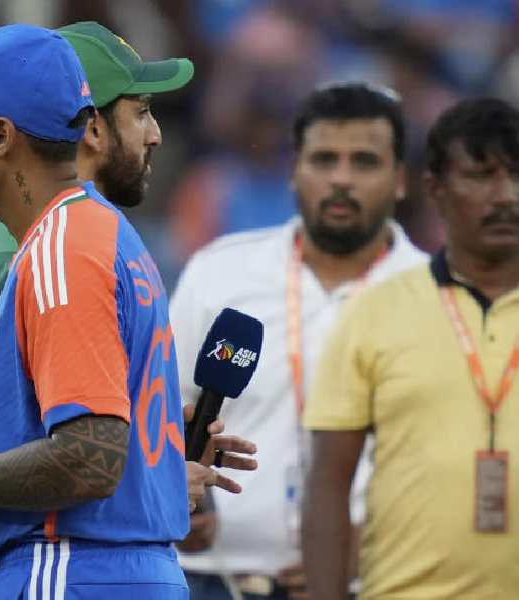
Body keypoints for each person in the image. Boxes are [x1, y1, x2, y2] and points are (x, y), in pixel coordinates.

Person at [0, 20, 258, 600]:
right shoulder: (106, 235)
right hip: (106, 567)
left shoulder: (58, 246)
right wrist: (153, 466)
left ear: (3, 136)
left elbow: (88, 458)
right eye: (142, 111)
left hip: (67, 568)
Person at [170, 82, 427, 600]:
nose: (341, 180)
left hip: (375, 584)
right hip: (215, 581)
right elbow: (160, 419)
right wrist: (182, 503)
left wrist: (362, 552)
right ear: (293, 170)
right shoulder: (219, 273)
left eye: (364, 162)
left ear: (401, 180)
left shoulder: (435, 296)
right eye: (324, 159)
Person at [303, 97, 519, 599]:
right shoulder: (375, 311)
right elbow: (329, 486)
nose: (505, 195)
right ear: (434, 189)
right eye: (482, 175)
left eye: (515, 174)